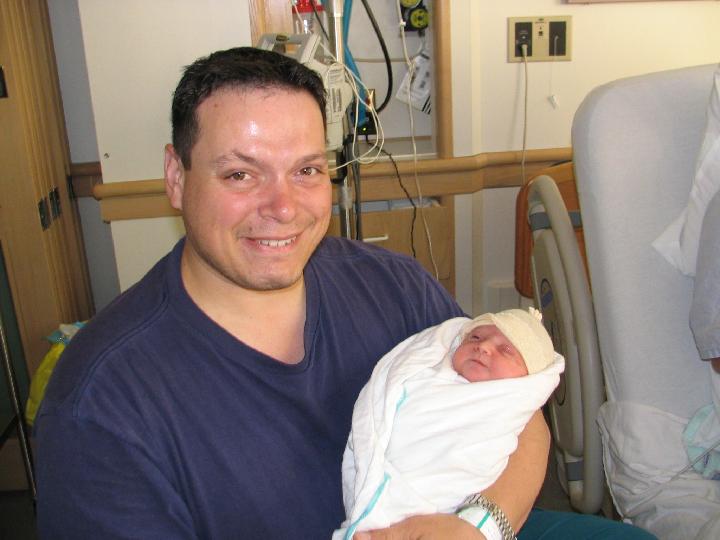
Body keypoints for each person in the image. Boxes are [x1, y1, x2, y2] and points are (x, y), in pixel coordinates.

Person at [34, 46, 655, 539]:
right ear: (176, 176)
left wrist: (481, 525)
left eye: (306, 170)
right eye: (241, 174)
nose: (283, 207)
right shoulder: (103, 405)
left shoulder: (394, 286)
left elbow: (520, 410)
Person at [336, 308, 565, 539]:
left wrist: (481, 528)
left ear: (530, 380)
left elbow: (534, 429)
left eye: (506, 350)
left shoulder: (509, 402)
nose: (483, 346)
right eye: (475, 337)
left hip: (469, 514)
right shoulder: (431, 379)